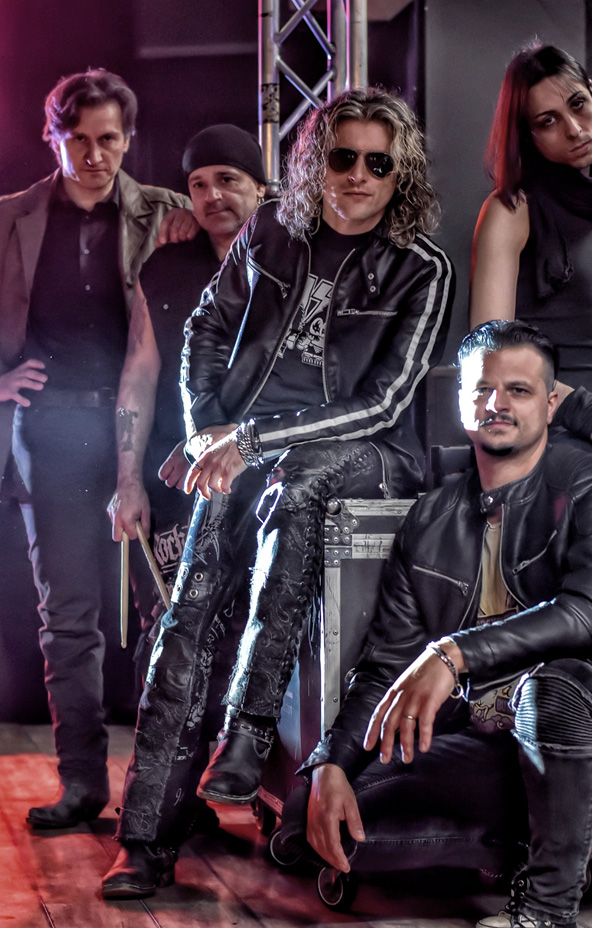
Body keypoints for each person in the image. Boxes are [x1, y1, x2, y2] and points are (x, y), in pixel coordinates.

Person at [101, 86, 454, 898]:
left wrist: (250, 440)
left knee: (298, 489)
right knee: (188, 618)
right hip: (243, 450)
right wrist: (205, 432)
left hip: (360, 451)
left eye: (379, 163)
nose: (359, 175)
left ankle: (250, 732)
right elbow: (204, 327)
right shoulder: (270, 229)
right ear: (313, 162)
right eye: (343, 157)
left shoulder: (420, 267)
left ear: (400, 173)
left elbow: (385, 402)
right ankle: (145, 838)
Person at [292, 319, 592, 928]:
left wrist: (453, 654)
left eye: (518, 390)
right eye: (481, 390)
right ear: (460, 402)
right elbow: (385, 667)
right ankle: (537, 849)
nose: (496, 404)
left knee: (552, 690)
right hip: (493, 750)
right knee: (319, 808)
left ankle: (545, 910)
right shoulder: (431, 519)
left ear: (550, 404)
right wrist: (331, 763)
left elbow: (587, 615)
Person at [0, 68, 195, 830]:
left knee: (167, 612)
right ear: (52, 138)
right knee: (69, 617)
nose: (93, 154)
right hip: (49, 434)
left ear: (128, 139)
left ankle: (162, 786)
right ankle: (82, 782)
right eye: (77, 139)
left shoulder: (170, 213)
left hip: (144, 438)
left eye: (109, 139)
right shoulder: (11, 218)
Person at [470, 43, 592, 644]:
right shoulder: (511, 210)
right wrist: (588, 411)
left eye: (579, 105)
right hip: (559, 424)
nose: (574, 129)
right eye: (548, 121)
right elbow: (488, 353)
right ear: (526, 134)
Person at [106, 125, 266, 667]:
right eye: (198, 184)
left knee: (250, 636)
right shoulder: (166, 268)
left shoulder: (292, 267)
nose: (212, 194)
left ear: (261, 187)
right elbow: (138, 374)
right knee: (170, 636)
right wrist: (128, 481)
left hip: (260, 476)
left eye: (228, 179)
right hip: (174, 480)